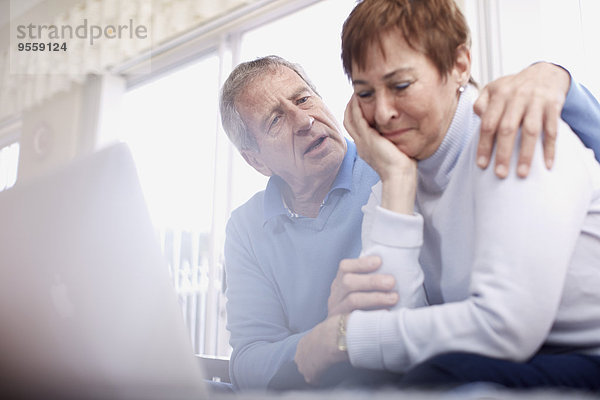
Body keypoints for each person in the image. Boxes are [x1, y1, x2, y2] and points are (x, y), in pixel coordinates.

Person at [220, 54, 600, 389]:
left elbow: (563, 146)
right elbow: (248, 359)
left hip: (426, 367)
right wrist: (316, 343)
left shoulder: (395, 158)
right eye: (275, 120)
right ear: (256, 161)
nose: (303, 120)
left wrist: (558, 78)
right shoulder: (246, 228)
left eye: (303, 98)